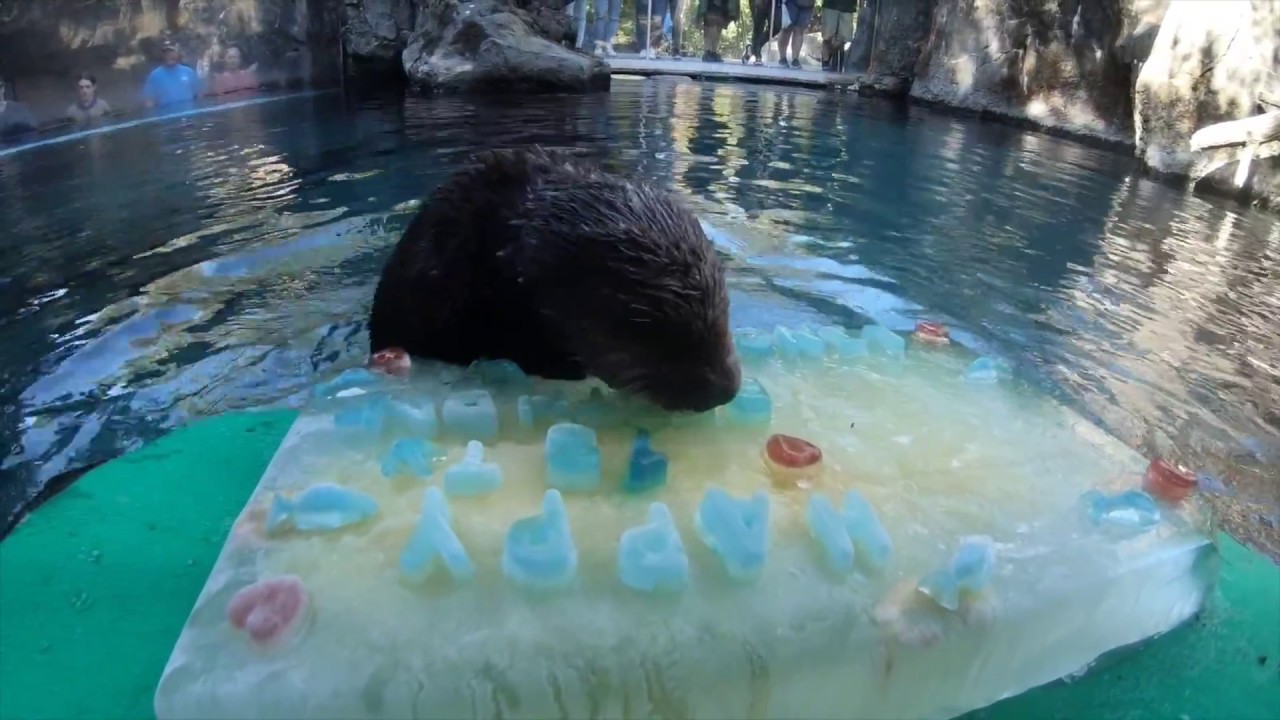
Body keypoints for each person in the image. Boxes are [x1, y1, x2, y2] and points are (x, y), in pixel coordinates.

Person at [142, 40, 201, 109]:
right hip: (167, 117)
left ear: (178, 54)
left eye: (172, 52)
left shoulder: (188, 71)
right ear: (163, 55)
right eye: (166, 53)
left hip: (189, 116)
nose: (169, 55)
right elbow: (149, 101)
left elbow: (199, 94)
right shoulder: (155, 75)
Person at [775, 0, 814, 68]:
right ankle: (782, 58)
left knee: (799, 30)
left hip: (808, 4)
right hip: (791, 2)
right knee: (786, 28)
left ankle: (795, 59)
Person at [743, 0, 783, 65]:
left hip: (774, 3)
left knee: (776, 26)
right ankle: (758, 55)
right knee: (758, 27)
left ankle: (752, 49)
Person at [821, 0, 856, 71]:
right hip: (830, 5)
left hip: (848, 7)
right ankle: (826, 61)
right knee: (827, 36)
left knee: (844, 37)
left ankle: (836, 59)